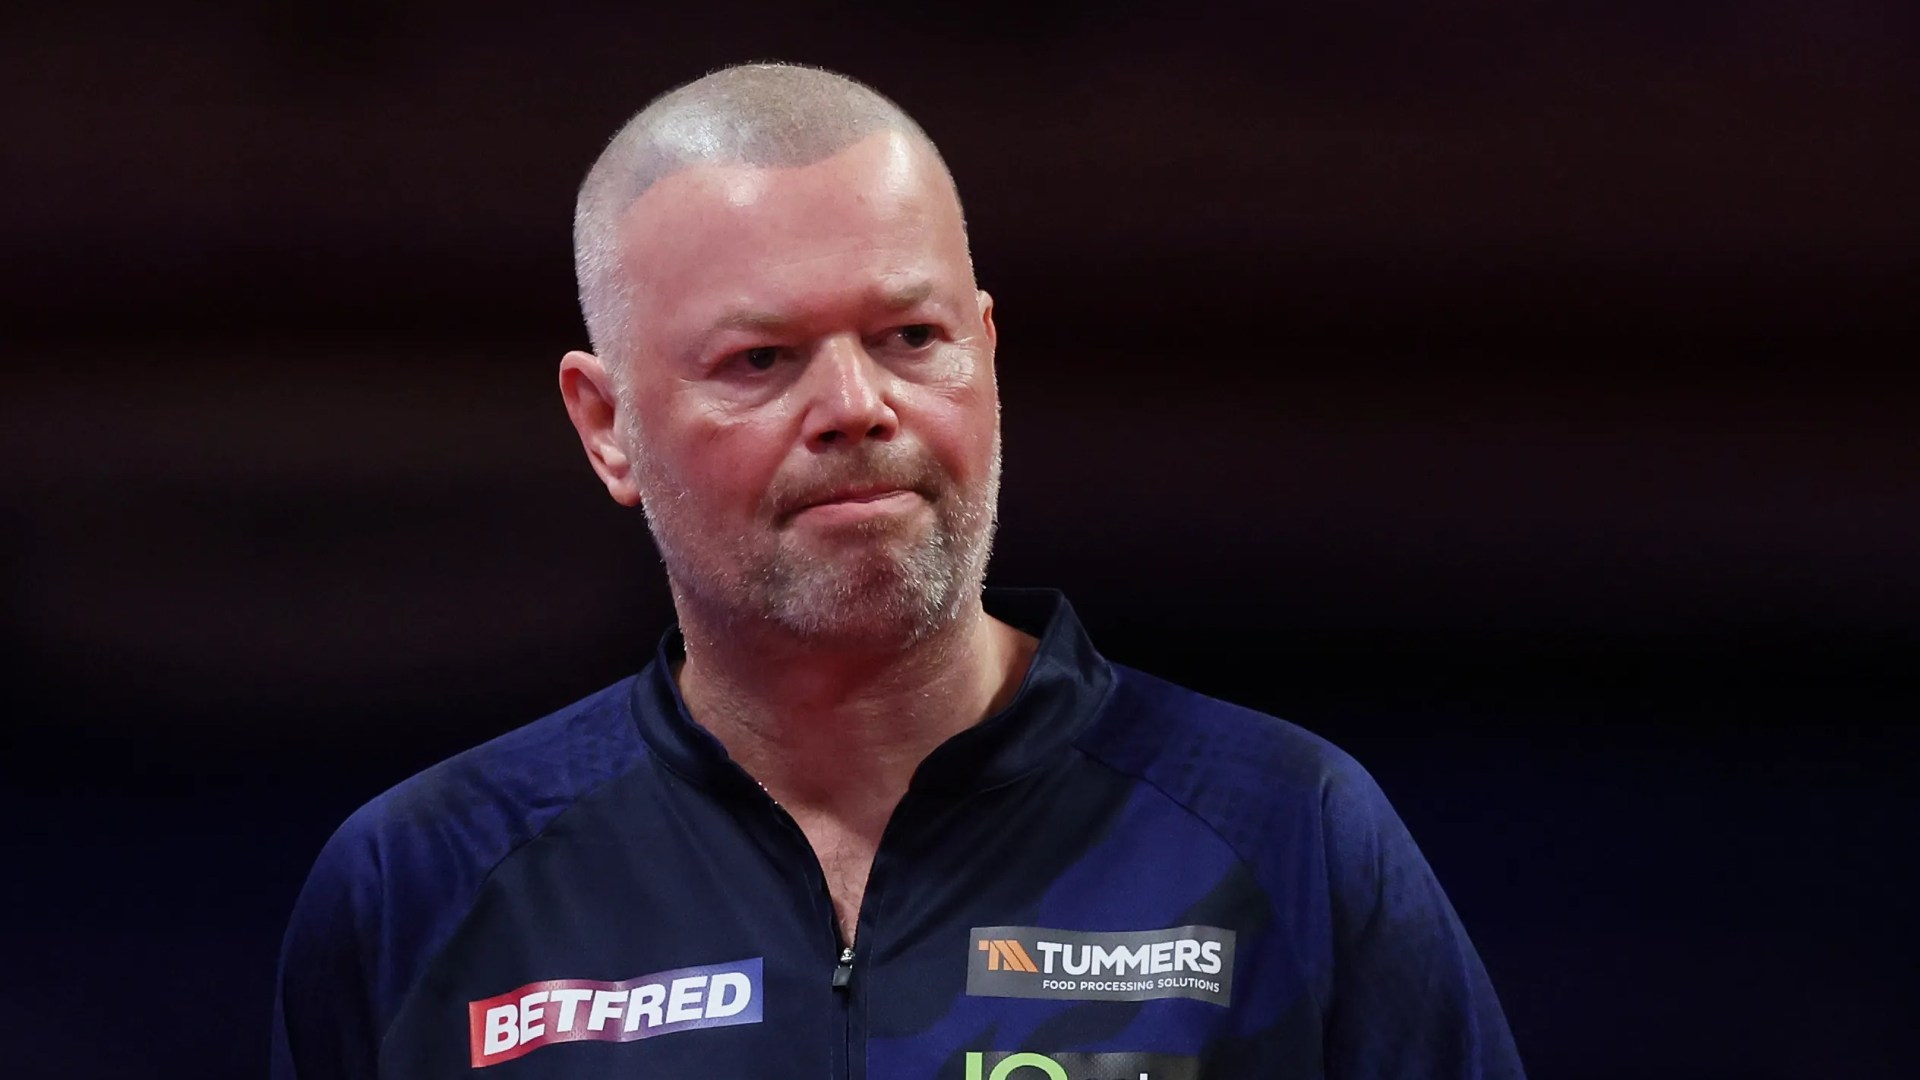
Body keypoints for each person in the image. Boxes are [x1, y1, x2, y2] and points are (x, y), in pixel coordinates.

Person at [273, 62, 1524, 1079]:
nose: (856, 406)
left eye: (910, 336)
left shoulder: (1287, 835)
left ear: (986, 352)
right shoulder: (422, 886)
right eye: (761, 359)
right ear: (607, 427)